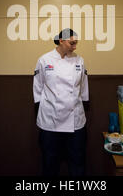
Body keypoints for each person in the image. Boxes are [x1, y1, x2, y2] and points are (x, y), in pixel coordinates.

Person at [33, 28, 89, 176]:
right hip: (50, 120)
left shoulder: (79, 60)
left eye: (76, 43)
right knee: (49, 163)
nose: (75, 46)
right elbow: (37, 88)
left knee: (77, 162)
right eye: (72, 43)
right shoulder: (44, 60)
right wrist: (40, 110)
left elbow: (84, 87)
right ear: (61, 41)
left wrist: (84, 103)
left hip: (75, 120)